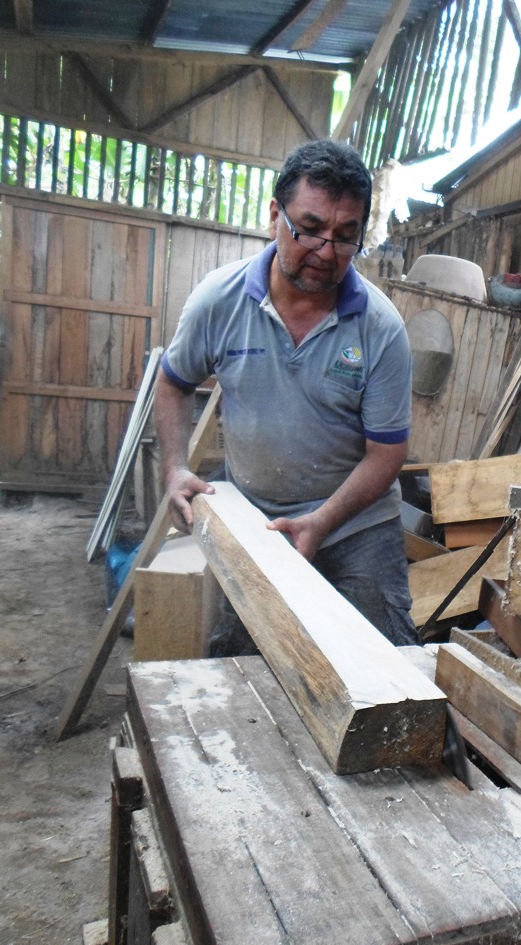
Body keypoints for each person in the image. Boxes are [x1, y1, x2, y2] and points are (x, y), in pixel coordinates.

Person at [154, 139, 419, 650]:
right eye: (310, 229)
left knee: (386, 666)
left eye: (345, 237)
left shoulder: (381, 329)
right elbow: (173, 383)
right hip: (256, 524)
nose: (326, 251)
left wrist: (322, 521)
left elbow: (387, 453)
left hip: (358, 530)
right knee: (242, 667)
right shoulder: (219, 300)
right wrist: (174, 469)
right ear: (275, 214)